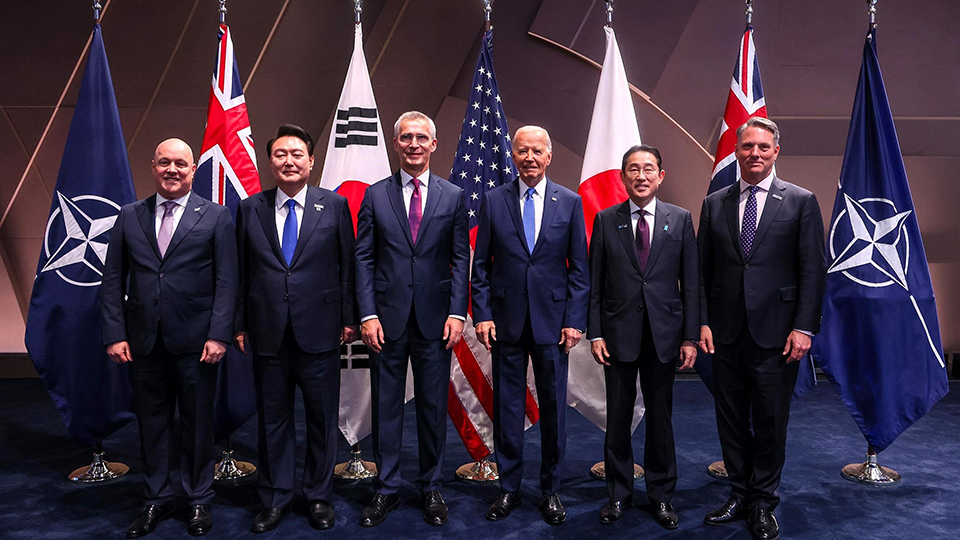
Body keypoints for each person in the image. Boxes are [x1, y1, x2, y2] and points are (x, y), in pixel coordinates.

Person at [100, 138, 238, 538]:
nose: (172, 170)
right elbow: (112, 279)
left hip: (198, 343)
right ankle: (156, 498)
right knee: (152, 424)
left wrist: (219, 334)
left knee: (197, 424)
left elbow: (227, 281)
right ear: (153, 166)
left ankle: (198, 500)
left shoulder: (216, 216)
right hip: (142, 342)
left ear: (194, 170)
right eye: (165, 163)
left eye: (181, 163)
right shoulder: (129, 216)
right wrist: (114, 333)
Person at [698, 117, 825, 540]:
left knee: (770, 421)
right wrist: (702, 322)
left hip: (778, 334)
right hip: (726, 332)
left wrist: (804, 327)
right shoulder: (715, 202)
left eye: (763, 147)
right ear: (736, 150)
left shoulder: (801, 201)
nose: (755, 153)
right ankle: (738, 493)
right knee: (730, 419)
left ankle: (763, 501)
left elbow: (812, 271)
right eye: (747, 146)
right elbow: (702, 270)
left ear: (776, 152)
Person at [234, 125, 356, 532]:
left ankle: (318, 496)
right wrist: (238, 323)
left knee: (321, 419)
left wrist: (349, 318)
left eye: (296, 154)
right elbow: (239, 271)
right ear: (270, 162)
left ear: (311, 160)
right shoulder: (250, 208)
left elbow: (348, 267)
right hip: (266, 330)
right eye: (280, 154)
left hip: (320, 330)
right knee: (273, 419)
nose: (289, 161)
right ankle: (274, 497)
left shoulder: (334, 206)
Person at [354, 111, 469, 527]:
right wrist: (366, 313)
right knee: (386, 407)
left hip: (437, 321)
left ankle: (431, 485)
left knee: (432, 407)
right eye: (407, 138)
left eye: (422, 138)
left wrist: (458, 312)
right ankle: (385, 488)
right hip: (385, 320)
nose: (414, 144)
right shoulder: (374, 195)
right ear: (396, 143)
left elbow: (460, 257)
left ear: (434, 144)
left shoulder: (453, 196)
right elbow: (363, 258)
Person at [472, 125, 589, 525]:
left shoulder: (570, 203)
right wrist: (483, 314)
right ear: (513, 154)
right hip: (504, 323)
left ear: (549, 156)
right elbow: (480, 268)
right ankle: (509, 488)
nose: (530, 158)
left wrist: (575, 321)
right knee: (506, 409)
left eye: (537, 151)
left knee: (554, 411)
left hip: (554, 325)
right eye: (522, 150)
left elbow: (579, 271)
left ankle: (551, 489)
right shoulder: (493, 201)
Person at [588, 145, 698, 528]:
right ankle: (618, 495)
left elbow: (692, 284)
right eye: (633, 169)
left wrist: (689, 338)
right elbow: (595, 284)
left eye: (648, 169)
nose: (641, 176)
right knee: (617, 418)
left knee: (660, 420)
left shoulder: (680, 219)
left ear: (660, 176)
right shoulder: (606, 220)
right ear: (623, 177)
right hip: (617, 336)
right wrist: (595, 332)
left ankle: (661, 495)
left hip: (665, 335)